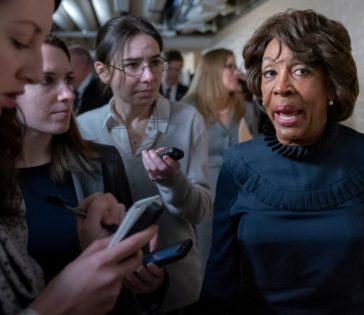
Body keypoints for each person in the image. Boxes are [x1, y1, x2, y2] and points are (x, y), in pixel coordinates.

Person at [200, 9, 364, 314]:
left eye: (301, 70)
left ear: (331, 85)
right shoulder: (239, 165)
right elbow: (220, 277)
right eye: (270, 72)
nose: (281, 86)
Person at [0, 1, 157, 314]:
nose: (69, 94)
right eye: (47, 80)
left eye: (69, 80)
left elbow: (126, 282)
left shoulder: (102, 162)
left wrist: (147, 281)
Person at [76, 15, 212, 313]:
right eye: (133, 65)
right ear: (102, 71)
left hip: (178, 286)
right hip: (107, 289)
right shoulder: (83, 129)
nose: (149, 76)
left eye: (155, 62)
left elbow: (200, 211)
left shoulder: (187, 119)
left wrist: (171, 181)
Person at [182, 48, 260, 270]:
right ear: (213, 72)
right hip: (207, 201)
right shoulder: (189, 111)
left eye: (236, 66)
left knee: (244, 260)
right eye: (230, 66)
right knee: (209, 259)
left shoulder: (245, 108)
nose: (237, 71)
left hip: (244, 199)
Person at [69, 45, 112, 115]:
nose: (63, 70)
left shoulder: (101, 91)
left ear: (82, 65)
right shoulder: (76, 92)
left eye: (67, 64)